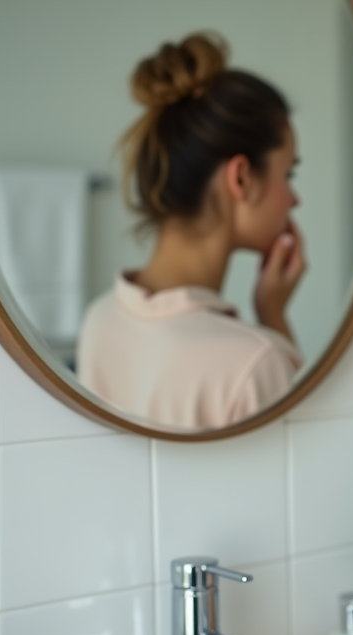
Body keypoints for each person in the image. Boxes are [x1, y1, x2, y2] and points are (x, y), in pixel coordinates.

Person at [77, 33, 304, 431]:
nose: (294, 199)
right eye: (288, 174)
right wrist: (275, 323)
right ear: (241, 178)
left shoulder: (99, 321)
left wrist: (271, 312)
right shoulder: (253, 363)